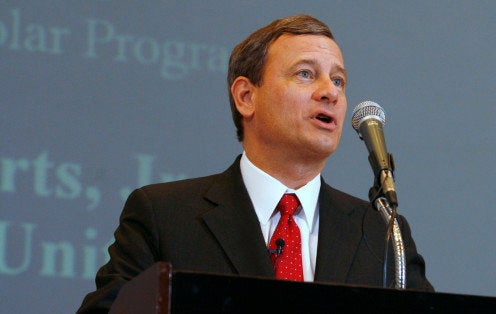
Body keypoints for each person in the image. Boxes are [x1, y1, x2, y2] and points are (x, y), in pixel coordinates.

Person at [77, 13, 433, 313]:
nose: (331, 92)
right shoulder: (163, 216)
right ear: (246, 97)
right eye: (306, 74)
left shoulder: (383, 234)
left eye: (338, 80)